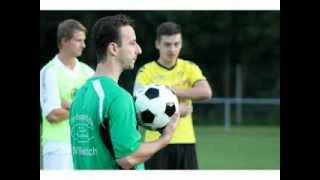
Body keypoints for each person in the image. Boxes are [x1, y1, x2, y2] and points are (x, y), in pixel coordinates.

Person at [69, 14, 180, 170]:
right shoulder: (118, 97)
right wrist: (165, 138)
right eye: (132, 43)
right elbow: (128, 158)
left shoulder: (80, 94)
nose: (139, 50)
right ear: (114, 48)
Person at [133, 21, 213, 169]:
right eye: (167, 44)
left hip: (186, 141)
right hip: (155, 143)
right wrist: (177, 109)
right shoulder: (146, 71)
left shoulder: (189, 67)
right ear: (157, 44)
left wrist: (171, 91)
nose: (172, 49)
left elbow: (206, 92)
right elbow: (137, 106)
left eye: (177, 44)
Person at [40, 19, 94, 169]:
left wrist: (70, 105)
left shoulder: (89, 73)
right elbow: (53, 115)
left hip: (86, 146)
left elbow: (95, 110)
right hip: (58, 148)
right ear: (64, 41)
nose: (83, 45)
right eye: (79, 40)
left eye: (84, 40)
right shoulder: (49, 72)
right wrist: (82, 107)